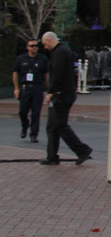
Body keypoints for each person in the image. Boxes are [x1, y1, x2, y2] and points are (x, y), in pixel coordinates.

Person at [38, 32, 92, 166]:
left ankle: (82, 150)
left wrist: (51, 92)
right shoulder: (61, 51)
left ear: (50, 41)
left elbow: (57, 74)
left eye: (45, 44)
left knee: (60, 125)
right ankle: (52, 156)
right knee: (52, 126)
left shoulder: (60, 53)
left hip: (61, 94)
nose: (45, 47)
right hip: (62, 93)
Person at [13, 38, 48, 142]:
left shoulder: (43, 59)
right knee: (23, 112)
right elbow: (15, 73)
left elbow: (46, 74)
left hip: (37, 88)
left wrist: (48, 89)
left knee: (35, 113)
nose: (34, 48)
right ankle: (25, 126)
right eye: (32, 46)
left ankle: (34, 134)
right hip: (25, 88)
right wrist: (16, 88)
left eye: (36, 46)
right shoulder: (21, 58)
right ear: (27, 47)